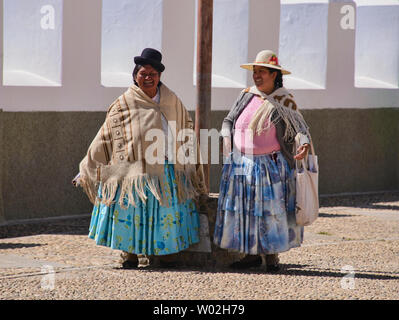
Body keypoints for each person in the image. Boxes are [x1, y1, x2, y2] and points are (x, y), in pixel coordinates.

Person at [73, 48, 207, 268]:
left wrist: (192, 163)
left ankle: (165, 254)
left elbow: (186, 131)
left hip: (166, 170)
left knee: (165, 214)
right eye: (143, 73)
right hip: (132, 173)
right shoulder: (123, 104)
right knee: (132, 211)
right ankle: (130, 254)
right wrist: (86, 168)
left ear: (159, 77)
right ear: (135, 75)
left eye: (152, 74)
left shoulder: (172, 101)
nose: (147, 78)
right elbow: (105, 137)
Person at [213, 50, 311, 272]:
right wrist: (226, 135)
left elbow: (300, 127)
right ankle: (250, 254)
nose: (257, 76)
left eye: (262, 72)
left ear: (274, 74)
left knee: (269, 211)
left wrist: (303, 143)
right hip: (241, 162)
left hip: (269, 165)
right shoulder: (246, 95)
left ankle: (270, 255)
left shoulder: (283, 100)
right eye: (255, 71)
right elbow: (229, 119)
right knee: (245, 210)